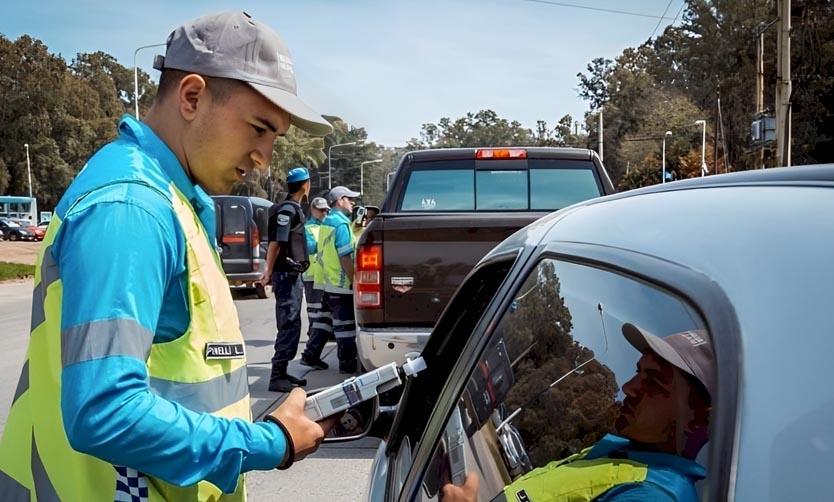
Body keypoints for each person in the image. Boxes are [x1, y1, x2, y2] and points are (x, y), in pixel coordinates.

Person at [0, 11, 336, 501]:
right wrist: (269, 442)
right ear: (193, 97)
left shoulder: (172, 199)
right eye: (258, 129)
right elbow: (105, 411)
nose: (265, 157)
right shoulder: (132, 207)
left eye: (274, 138)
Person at [442, 323, 714, 502]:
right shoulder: (622, 455)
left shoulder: (654, 496)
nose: (629, 388)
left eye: (654, 382)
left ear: (700, 419)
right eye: (637, 372)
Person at [260, 167, 313, 392]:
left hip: (291, 274)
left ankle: (283, 372)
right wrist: (268, 269)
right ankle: (277, 375)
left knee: (292, 323)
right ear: (305, 185)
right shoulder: (288, 210)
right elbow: (276, 242)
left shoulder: (289, 208)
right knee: (289, 324)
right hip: (286, 274)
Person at [319, 186, 362, 373]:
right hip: (344, 285)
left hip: (331, 282)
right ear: (339, 200)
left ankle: (344, 361)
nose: (353, 202)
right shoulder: (342, 225)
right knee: (346, 330)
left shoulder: (327, 222)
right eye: (349, 198)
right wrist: (355, 281)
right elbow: (345, 257)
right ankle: (347, 364)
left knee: (339, 327)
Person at [298, 196, 333, 370]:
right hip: (312, 276)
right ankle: (311, 347)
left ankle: (314, 346)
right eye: (321, 210)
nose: (324, 212)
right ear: (312, 209)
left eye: (326, 210)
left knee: (322, 313)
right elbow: (310, 247)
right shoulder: (308, 228)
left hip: (325, 275)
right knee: (314, 313)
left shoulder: (325, 226)